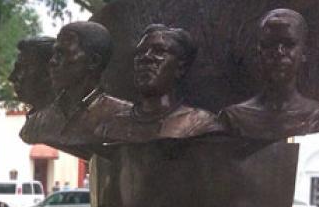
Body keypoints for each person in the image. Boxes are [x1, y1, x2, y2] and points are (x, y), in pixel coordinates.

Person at [220, 8, 319, 139]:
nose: (279, 52)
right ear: (258, 51)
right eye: (270, 44)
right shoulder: (233, 119)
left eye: (289, 44)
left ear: (304, 52)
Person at [97, 24, 221, 143]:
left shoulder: (201, 124)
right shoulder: (111, 127)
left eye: (159, 51)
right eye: (140, 52)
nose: (146, 57)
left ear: (181, 67)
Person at [30, 21, 131, 149]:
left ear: (93, 61)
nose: (52, 61)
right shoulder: (38, 121)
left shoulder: (123, 117)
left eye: (62, 54)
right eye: (54, 53)